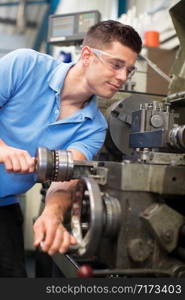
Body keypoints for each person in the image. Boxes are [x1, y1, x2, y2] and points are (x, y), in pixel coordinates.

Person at [0, 20, 142, 277]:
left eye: (129, 70)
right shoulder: (25, 65)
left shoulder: (94, 127)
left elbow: (65, 177)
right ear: (87, 55)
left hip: (4, 205)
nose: (122, 77)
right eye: (116, 64)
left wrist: (52, 213)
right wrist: (2, 148)